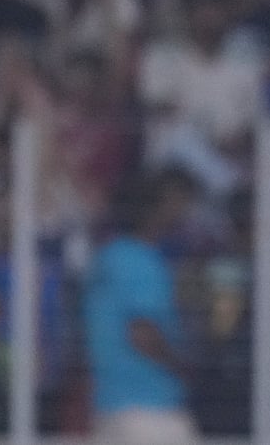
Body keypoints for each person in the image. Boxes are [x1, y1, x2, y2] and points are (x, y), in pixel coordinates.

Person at [83, 166, 199, 445]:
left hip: (108, 406)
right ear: (153, 210)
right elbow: (142, 333)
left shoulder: (105, 259)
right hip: (152, 410)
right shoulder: (143, 262)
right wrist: (181, 366)